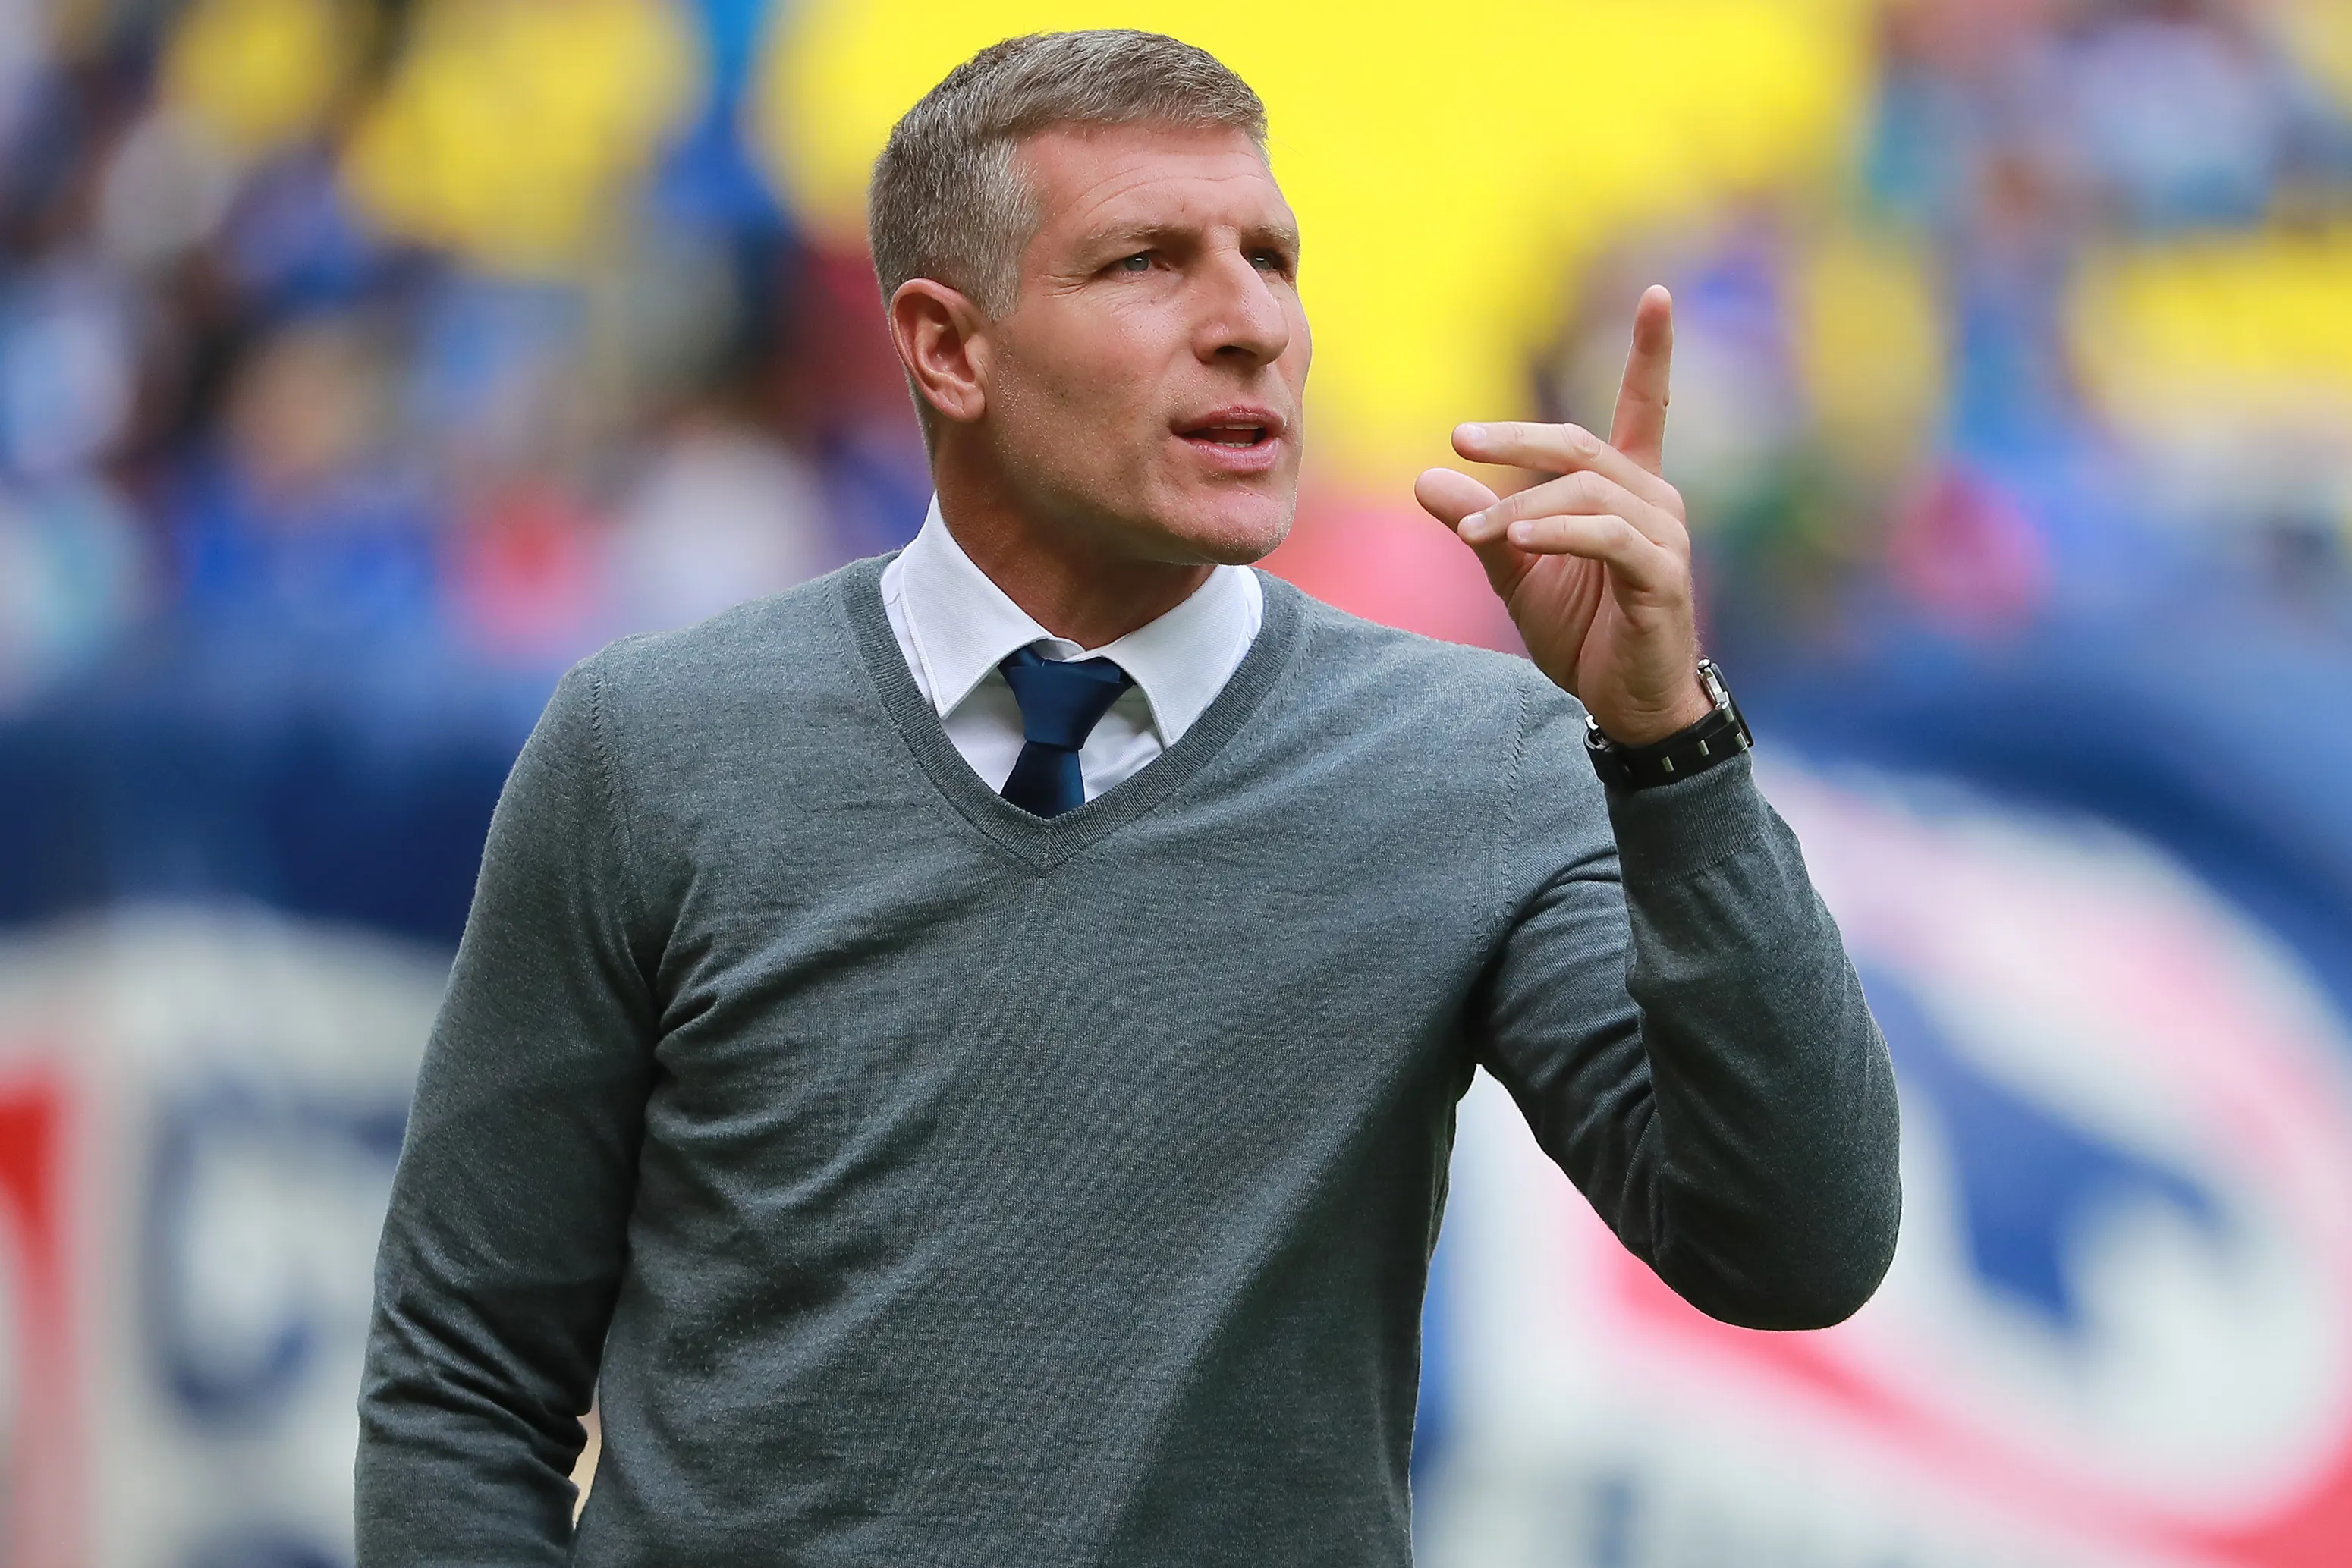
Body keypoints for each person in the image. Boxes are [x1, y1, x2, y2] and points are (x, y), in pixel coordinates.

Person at [356, 30, 1900, 1566]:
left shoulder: (1479, 761)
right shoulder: (648, 748)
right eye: (1146, 263)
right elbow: (463, 1380)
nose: (1251, 324)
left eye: (1271, 260)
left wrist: (1671, 745)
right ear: (947, 349)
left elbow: (1794, 1249)